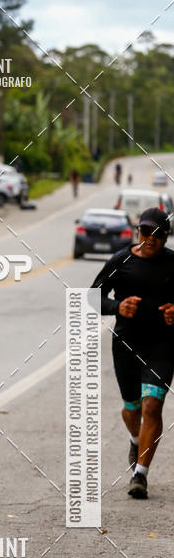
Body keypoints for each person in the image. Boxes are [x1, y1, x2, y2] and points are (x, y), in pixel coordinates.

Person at [91, 207, 174, 498]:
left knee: (152, 407)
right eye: (145, 231)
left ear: (166, 236)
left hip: (163, 346)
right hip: (126, 345)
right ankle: (136, 440)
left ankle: (140, 475)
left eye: (158, 233)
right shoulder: (121, 260)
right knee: (132, 408)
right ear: (137, 231)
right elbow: (91, 298)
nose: (150, 238)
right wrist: (117, 307)